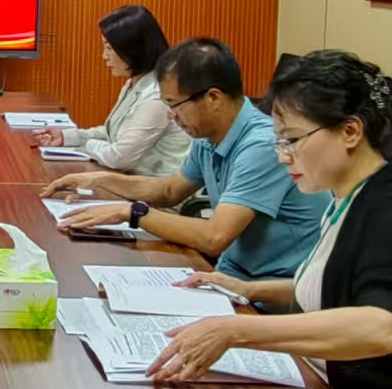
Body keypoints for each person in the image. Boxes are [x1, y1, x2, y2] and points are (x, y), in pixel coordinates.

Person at [146, 51, 392, 389]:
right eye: (280, 141)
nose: (283, 155)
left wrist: (238, 330)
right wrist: (248, 289)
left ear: (350, 132)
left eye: (293, 140)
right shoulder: (347, 195)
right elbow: (335, 288)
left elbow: (381, 328)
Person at [45, 38, 325, 280]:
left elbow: (214, 237)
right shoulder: (207, 136)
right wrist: (100, 180)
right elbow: (170, 190)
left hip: (271, 292)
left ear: (213, 98)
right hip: (232, 273)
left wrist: (133, 213)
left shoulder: (261, 145)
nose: (172, 116)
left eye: (175, 105)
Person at [33, 5, 189, 175]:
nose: (104, 56)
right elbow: (115, 134)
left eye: (109, 48)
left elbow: (120, 157)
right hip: (131, 180)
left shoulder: (157, 95)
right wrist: (67, 137)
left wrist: (86, 146)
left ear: (132, 49)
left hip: (156, 186)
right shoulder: (135, 83)